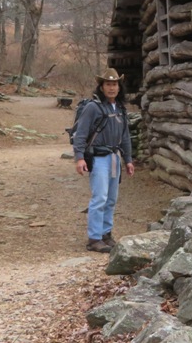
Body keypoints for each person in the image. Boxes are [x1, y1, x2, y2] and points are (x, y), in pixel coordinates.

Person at [73, 68, 134, 253]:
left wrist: (128, 159)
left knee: (111, 199)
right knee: (99, 198)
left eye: (114, 84)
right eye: (108, 84)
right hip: (99, 158)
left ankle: (106, 234)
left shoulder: (121, 109)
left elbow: (125, 137)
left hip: (115, 157)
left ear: (119, 87)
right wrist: (79, 158)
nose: (111, 88)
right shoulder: (93, 107)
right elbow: (81, 134)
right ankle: (94, 238)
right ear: (101, 86)